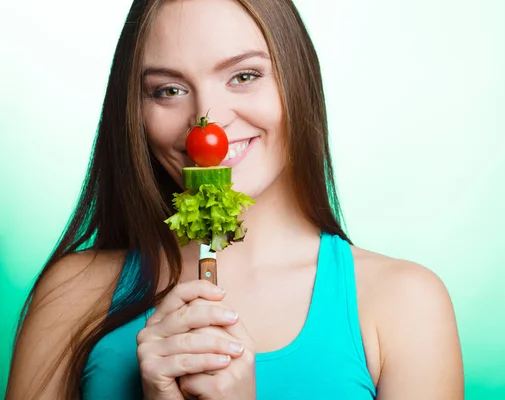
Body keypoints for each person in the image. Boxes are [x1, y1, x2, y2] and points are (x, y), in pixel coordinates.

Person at [5, 0, 464, 399]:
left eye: (244, 76)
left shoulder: (405, 305)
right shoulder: (71, 297)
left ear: (296, 83)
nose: (208, 128)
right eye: (169, 90)